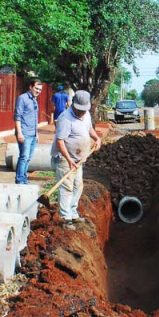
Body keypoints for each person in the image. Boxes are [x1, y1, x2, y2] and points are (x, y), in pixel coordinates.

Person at [51, 90, 102, 224]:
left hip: (79, 159)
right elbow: (60, 141)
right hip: (64, 158)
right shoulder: (65, 118)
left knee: (77, 186)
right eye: (79, 109)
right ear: (73, 104)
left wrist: (97, 138)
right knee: (67, 187)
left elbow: (89, 129)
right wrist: (68, 160)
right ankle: (65, 217)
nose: (82, 112)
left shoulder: (86, 116)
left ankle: (73, 212)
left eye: (84, 110)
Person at [14, 79, 42, 184]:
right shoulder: (22, 98)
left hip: (33, 134)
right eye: (36, 88)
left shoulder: (34, 100)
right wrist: (19, 133)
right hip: (24, 133)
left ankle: (23, 178)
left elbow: (34, 118)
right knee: (24, 157)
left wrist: (37, 134)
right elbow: (17, 117)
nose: (38, 91)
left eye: (40, 89)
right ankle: (20, 180)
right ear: (30, 87)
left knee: (28, 158)